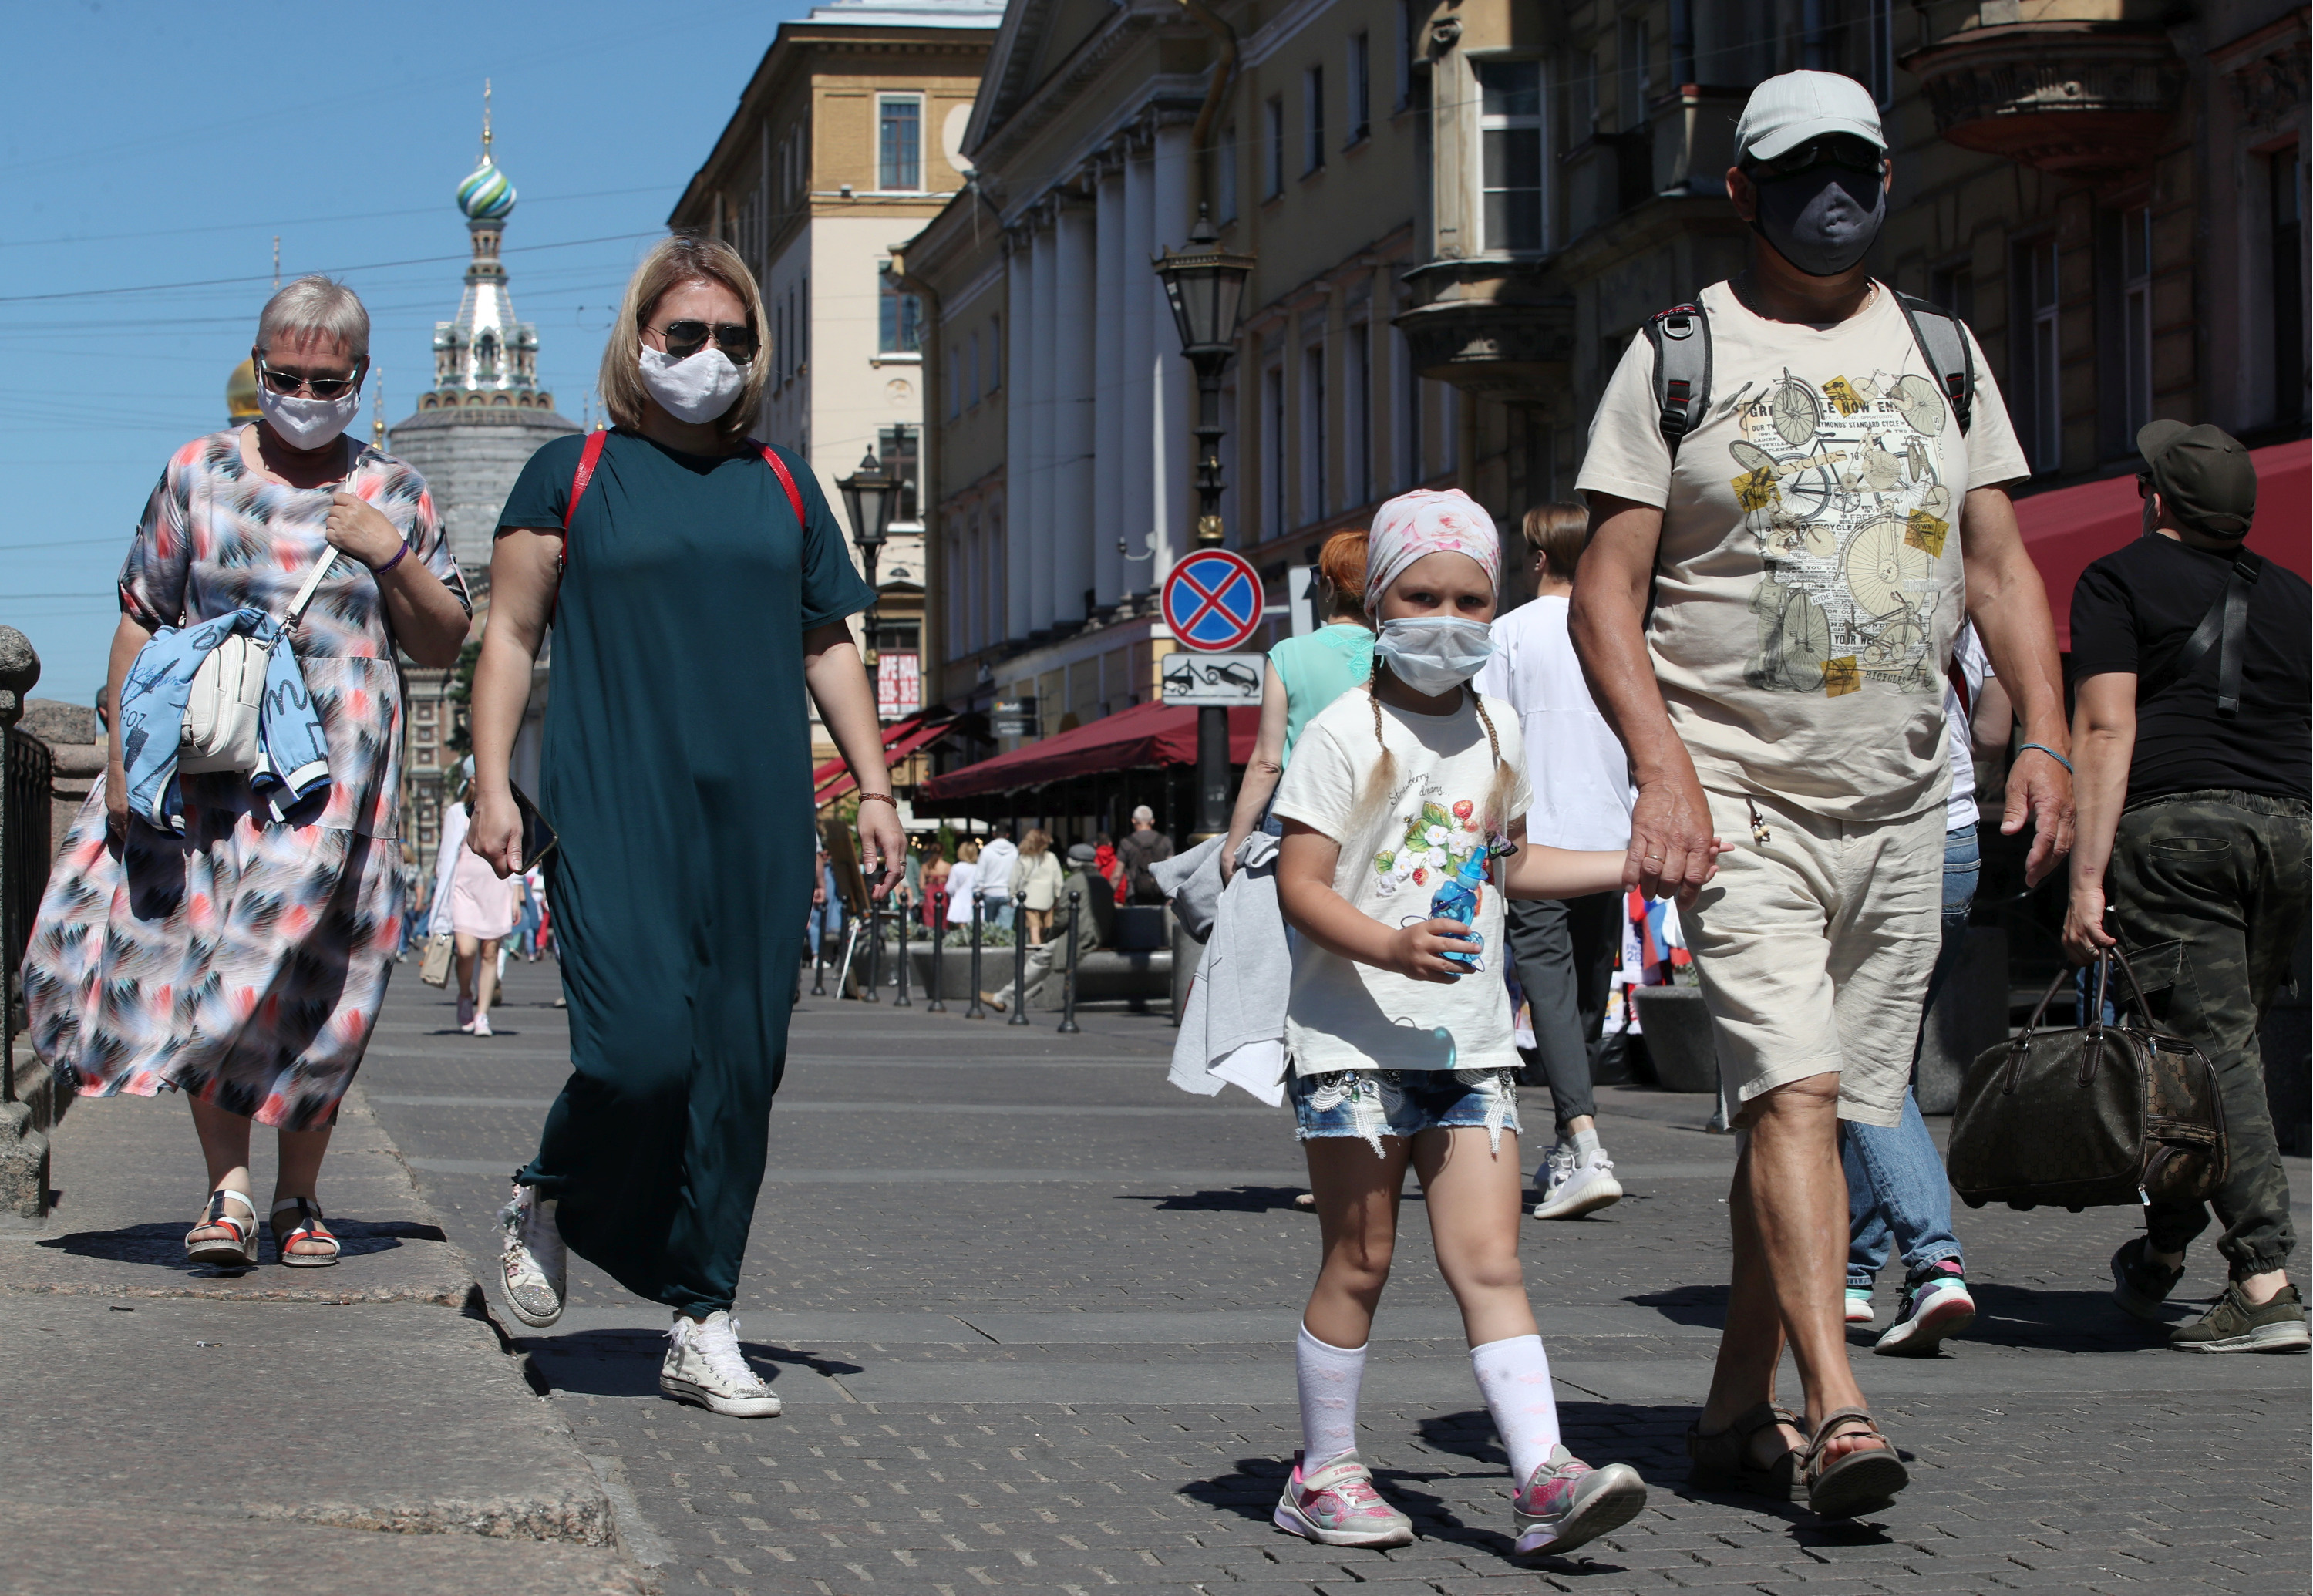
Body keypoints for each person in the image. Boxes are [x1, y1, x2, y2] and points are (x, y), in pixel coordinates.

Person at [1571, 70, 2071, 1517]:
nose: (1832, 194)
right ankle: (1837, 1411)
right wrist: (1664, 769)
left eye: (1856, 166)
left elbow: (1999, 568)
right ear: (1744, 189)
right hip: (1741, 802)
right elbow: (1611, 598)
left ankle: (1731, 1420)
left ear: (1889, 180)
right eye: (1799, 172)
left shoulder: (1945, 350)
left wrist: (2038, 735)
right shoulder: (1676, 356)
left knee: (1835, 1100)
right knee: (1797, 1098)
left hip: (1907, 805)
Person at [467, 234, 902, 1417]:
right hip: (612, 800)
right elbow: (509, 634)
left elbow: (829, 644)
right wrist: (494, 783)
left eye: (733, 339)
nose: (710, 357)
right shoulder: (572, 471)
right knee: (638, 1051)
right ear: (639, 342)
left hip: (759, 811)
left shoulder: (786, 486)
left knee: (740, 1071)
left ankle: (704, 1313)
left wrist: (872, 787)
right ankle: (550, 1190)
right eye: (685, 336)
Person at [22, 275, 472, 1268]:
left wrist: (390, 555)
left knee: (329, 978)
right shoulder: (199, 473)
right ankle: (226, 1193)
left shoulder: (391, 490)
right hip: (220, 774)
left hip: (343, 785)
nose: (305, 392)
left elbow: (444, 640)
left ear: (361, 376)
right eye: (287, 374)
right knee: (219, 966)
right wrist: (132, 770)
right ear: (258, 367)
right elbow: (141, 612)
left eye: (329, 377)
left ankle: (300, 1197)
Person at [1268, 489, 1662, 1559]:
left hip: (1473, 1043)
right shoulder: (1348, 730)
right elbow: (1298, 882)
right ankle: (1325, 1469)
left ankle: (1542, 1473)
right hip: (1352, 1045)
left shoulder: (1499, 725)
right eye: (1423, 595)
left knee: (1492, 1260)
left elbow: (1511, 862)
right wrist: (1387, 945)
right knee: (1361, 1256)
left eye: (1469, 600)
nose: (1448, 618)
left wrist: (1630, 860)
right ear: (1379, 599)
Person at [2066, 420, 2311, 1354]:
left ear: (2157, 499)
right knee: (2208, 1053)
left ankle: (2264, 1278)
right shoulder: (2296, 595)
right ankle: (2162, 1258)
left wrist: (2086, 880)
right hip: (2289, 832)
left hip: (2178, 836)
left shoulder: (2118, 578)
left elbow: (2105, 731)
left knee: (2213, 1059)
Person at [1840, 622, 2005, 1354]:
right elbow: (1996, 724)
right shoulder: (1965, 587)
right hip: (1957, 834)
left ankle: (1932, 1261)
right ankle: (1850, 1274)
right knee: (1886, 1062)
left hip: (1867, 835)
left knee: (1862, 1059)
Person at [1475, 504, 1634, 1221]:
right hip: (1611, 835)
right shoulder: (1620, 630)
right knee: (1586, 993)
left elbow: (1492, 740)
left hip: (1535, 839)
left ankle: (1582, 1138)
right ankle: (1575, 1136)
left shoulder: (1506, 635)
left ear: (1539, 558)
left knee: (1551, 989)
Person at [1223, 531, 1375, 874]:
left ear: (1331, 587)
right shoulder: (1395, 656)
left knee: (1300, 916)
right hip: (1381, 806)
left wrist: (1234, 843)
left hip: (1302, 807)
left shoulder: (1288, 655)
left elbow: (1267, 764)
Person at [426, 758, 523, 1037]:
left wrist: (516, 891)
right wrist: (440, 897)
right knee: (466, 951)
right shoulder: (457, 812)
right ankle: (465, 994)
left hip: (496, 885)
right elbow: (446, 856)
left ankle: (482, 1015)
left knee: (491, 952)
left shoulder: (508, 809)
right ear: (471, 781)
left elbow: (515, 848)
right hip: (464, 889)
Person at [981, 843, 1106, 1012]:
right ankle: (1010, 998)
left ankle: (1003, 998)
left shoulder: (1075, 881)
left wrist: (1052, 936)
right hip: (1100, 934)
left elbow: (1062, 917)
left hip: (1082, 936)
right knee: (1045, 962)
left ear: (1072, 862)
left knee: (1040, 960)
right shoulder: (1101, 880)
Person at [1013, 827, 1062, 944]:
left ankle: (1036, 954)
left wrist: (1012, 894)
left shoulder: (1023, 858)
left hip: (1029, 899)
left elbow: (1014, 879)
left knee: (1033, 929)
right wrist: (1058, 896)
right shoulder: (1051, 858)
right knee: (1045, 930)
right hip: (1047, 900)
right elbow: (1058, 881)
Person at [1118, 805, 1175, 904]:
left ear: (1133, 821)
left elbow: (1117, 874)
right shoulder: (1165, 841)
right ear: (1152, 821)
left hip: (1134, 894)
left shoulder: (1126, 843)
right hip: (1160, 893)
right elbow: (1171, 870)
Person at [978, 823, 1018, 931]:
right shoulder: (1014, 851)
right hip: (1007, 892)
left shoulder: (986, 850)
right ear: (1008, 835)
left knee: (988, 929)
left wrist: (980, 888)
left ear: (994, 834)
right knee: (1005, 930)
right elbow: (1018, 874)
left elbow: (979, 874)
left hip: (989, 892)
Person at [945, 839, 982, 928]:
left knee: (961, 928)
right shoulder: (978, 868)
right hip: (974, 900)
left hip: (960, 899)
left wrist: (953, 895)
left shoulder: (956, 868)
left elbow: (950, 887)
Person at [1093, 831, 1126, 904]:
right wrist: (1121, 900)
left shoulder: (1092, 862)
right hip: (1115, 900)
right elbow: (1122, 884)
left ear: (1095, 844)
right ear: (1110, 844)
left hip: (1097, 901)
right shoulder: (1118, 862)